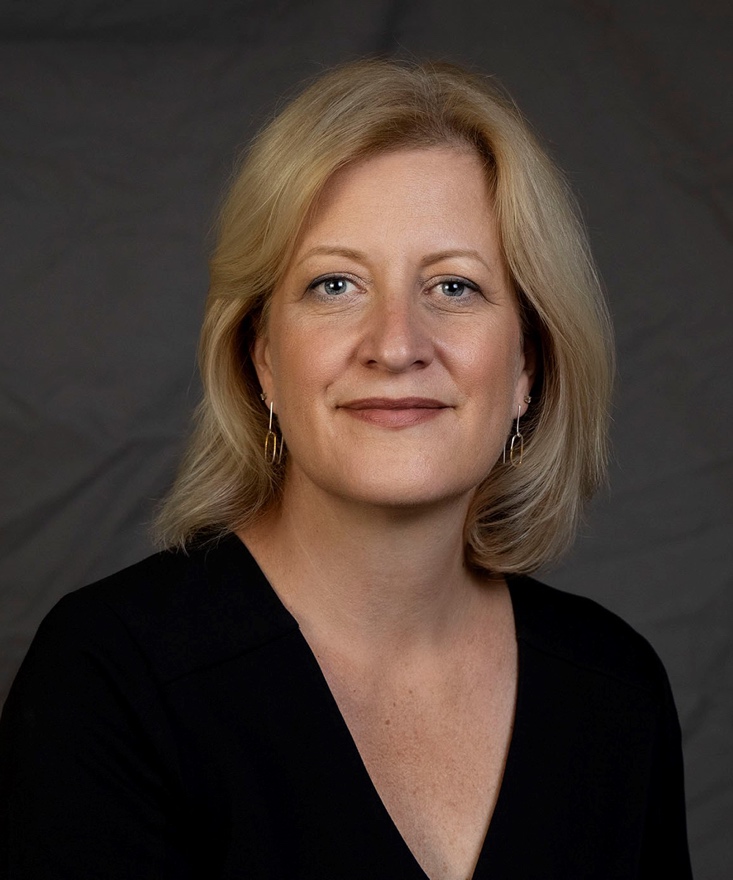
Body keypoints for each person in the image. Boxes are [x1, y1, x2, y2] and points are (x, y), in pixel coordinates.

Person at [0, 59, 692, 879]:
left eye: (453, 286)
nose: (396, 345)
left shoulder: (612, 691)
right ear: (260, 358)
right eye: (335, 284)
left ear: (525, 370)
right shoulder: (112, 677)